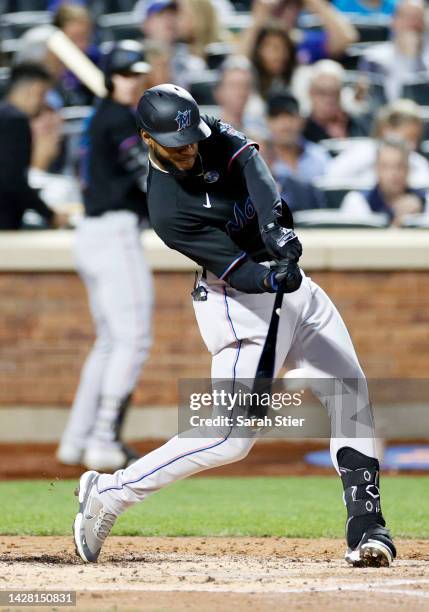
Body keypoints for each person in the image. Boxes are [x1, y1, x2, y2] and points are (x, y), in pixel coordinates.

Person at [72, 84, 396, 569]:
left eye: (191, 140)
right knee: (229, 439)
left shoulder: (208, 133)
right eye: (175, 144)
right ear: (147, 138)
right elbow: (239, 270)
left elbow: (254, 168)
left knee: (350, 393)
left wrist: (275, 229)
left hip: (295, 292)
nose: (187, 150)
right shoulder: (167, 210)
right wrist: (270, 274)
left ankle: (367, 526)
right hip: (239, 302)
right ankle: (110, 491)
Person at [56, 42, 153, 472]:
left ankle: (77, 440)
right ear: (112, 77)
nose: (133, 81)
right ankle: (102, 440)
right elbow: (148, 176)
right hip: (114, 232)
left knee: (110, 342)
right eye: (127, 74)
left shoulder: (101, 117)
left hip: (93, 234)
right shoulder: (119, 120)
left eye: (138, 74)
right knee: (132, 339)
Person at [0, 63, 68, 230]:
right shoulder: (15, 120)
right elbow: (12, 180)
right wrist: (50, 215)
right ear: (35, 89)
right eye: (43, 94)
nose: (43, 102)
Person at [324, 99, 429, 189]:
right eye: (409, 137)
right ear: (387, 130)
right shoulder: (362, 152)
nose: (413, 145)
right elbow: (331, 177)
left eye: (416, 139)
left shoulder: (418, 162)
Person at [239, 0, 358, 66]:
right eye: (281, 7)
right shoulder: (257, 41)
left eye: (294, 5)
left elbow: (346, 38)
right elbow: (236, 61)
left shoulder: (304, 40)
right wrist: (258, 18)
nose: (288, 12)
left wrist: (315, 3)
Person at [340, 138, 428, 225]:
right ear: (376, 169)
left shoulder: (425, 201)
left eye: (399, 166)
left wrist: (419, 211)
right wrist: (398, 222)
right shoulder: (357, 201)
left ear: (408, 169)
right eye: (386, 167)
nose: (394, 173)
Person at [359, 0, 429, 103]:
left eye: (418, 18)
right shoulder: (374, 57)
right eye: (407, 17)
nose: (413, 24)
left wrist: (413, 58)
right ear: (394, 20)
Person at [267, 88, 330, 183]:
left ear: (301, 121)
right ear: (268, 122)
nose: (285, 125)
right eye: (277, 118)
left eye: (290, 117)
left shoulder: (318, 156)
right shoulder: (262, 160)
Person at [303, 60, 369, 143]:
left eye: (334, 93)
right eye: (322, 93)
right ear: (310, 93)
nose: (329, 99)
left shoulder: (355, 125)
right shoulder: (301, 129)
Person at [214, 55, 268, 137]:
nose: (240, 92)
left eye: (246, 86)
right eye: (233, 86)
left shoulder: (260, 130)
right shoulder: (208, 131)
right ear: (218, 91)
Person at [250, 24, 297, 99]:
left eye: (285, 49)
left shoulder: (295, 78)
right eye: (275, 48)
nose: (281, 54)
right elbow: (236, 59)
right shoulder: (249, 78)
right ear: (259, 50)